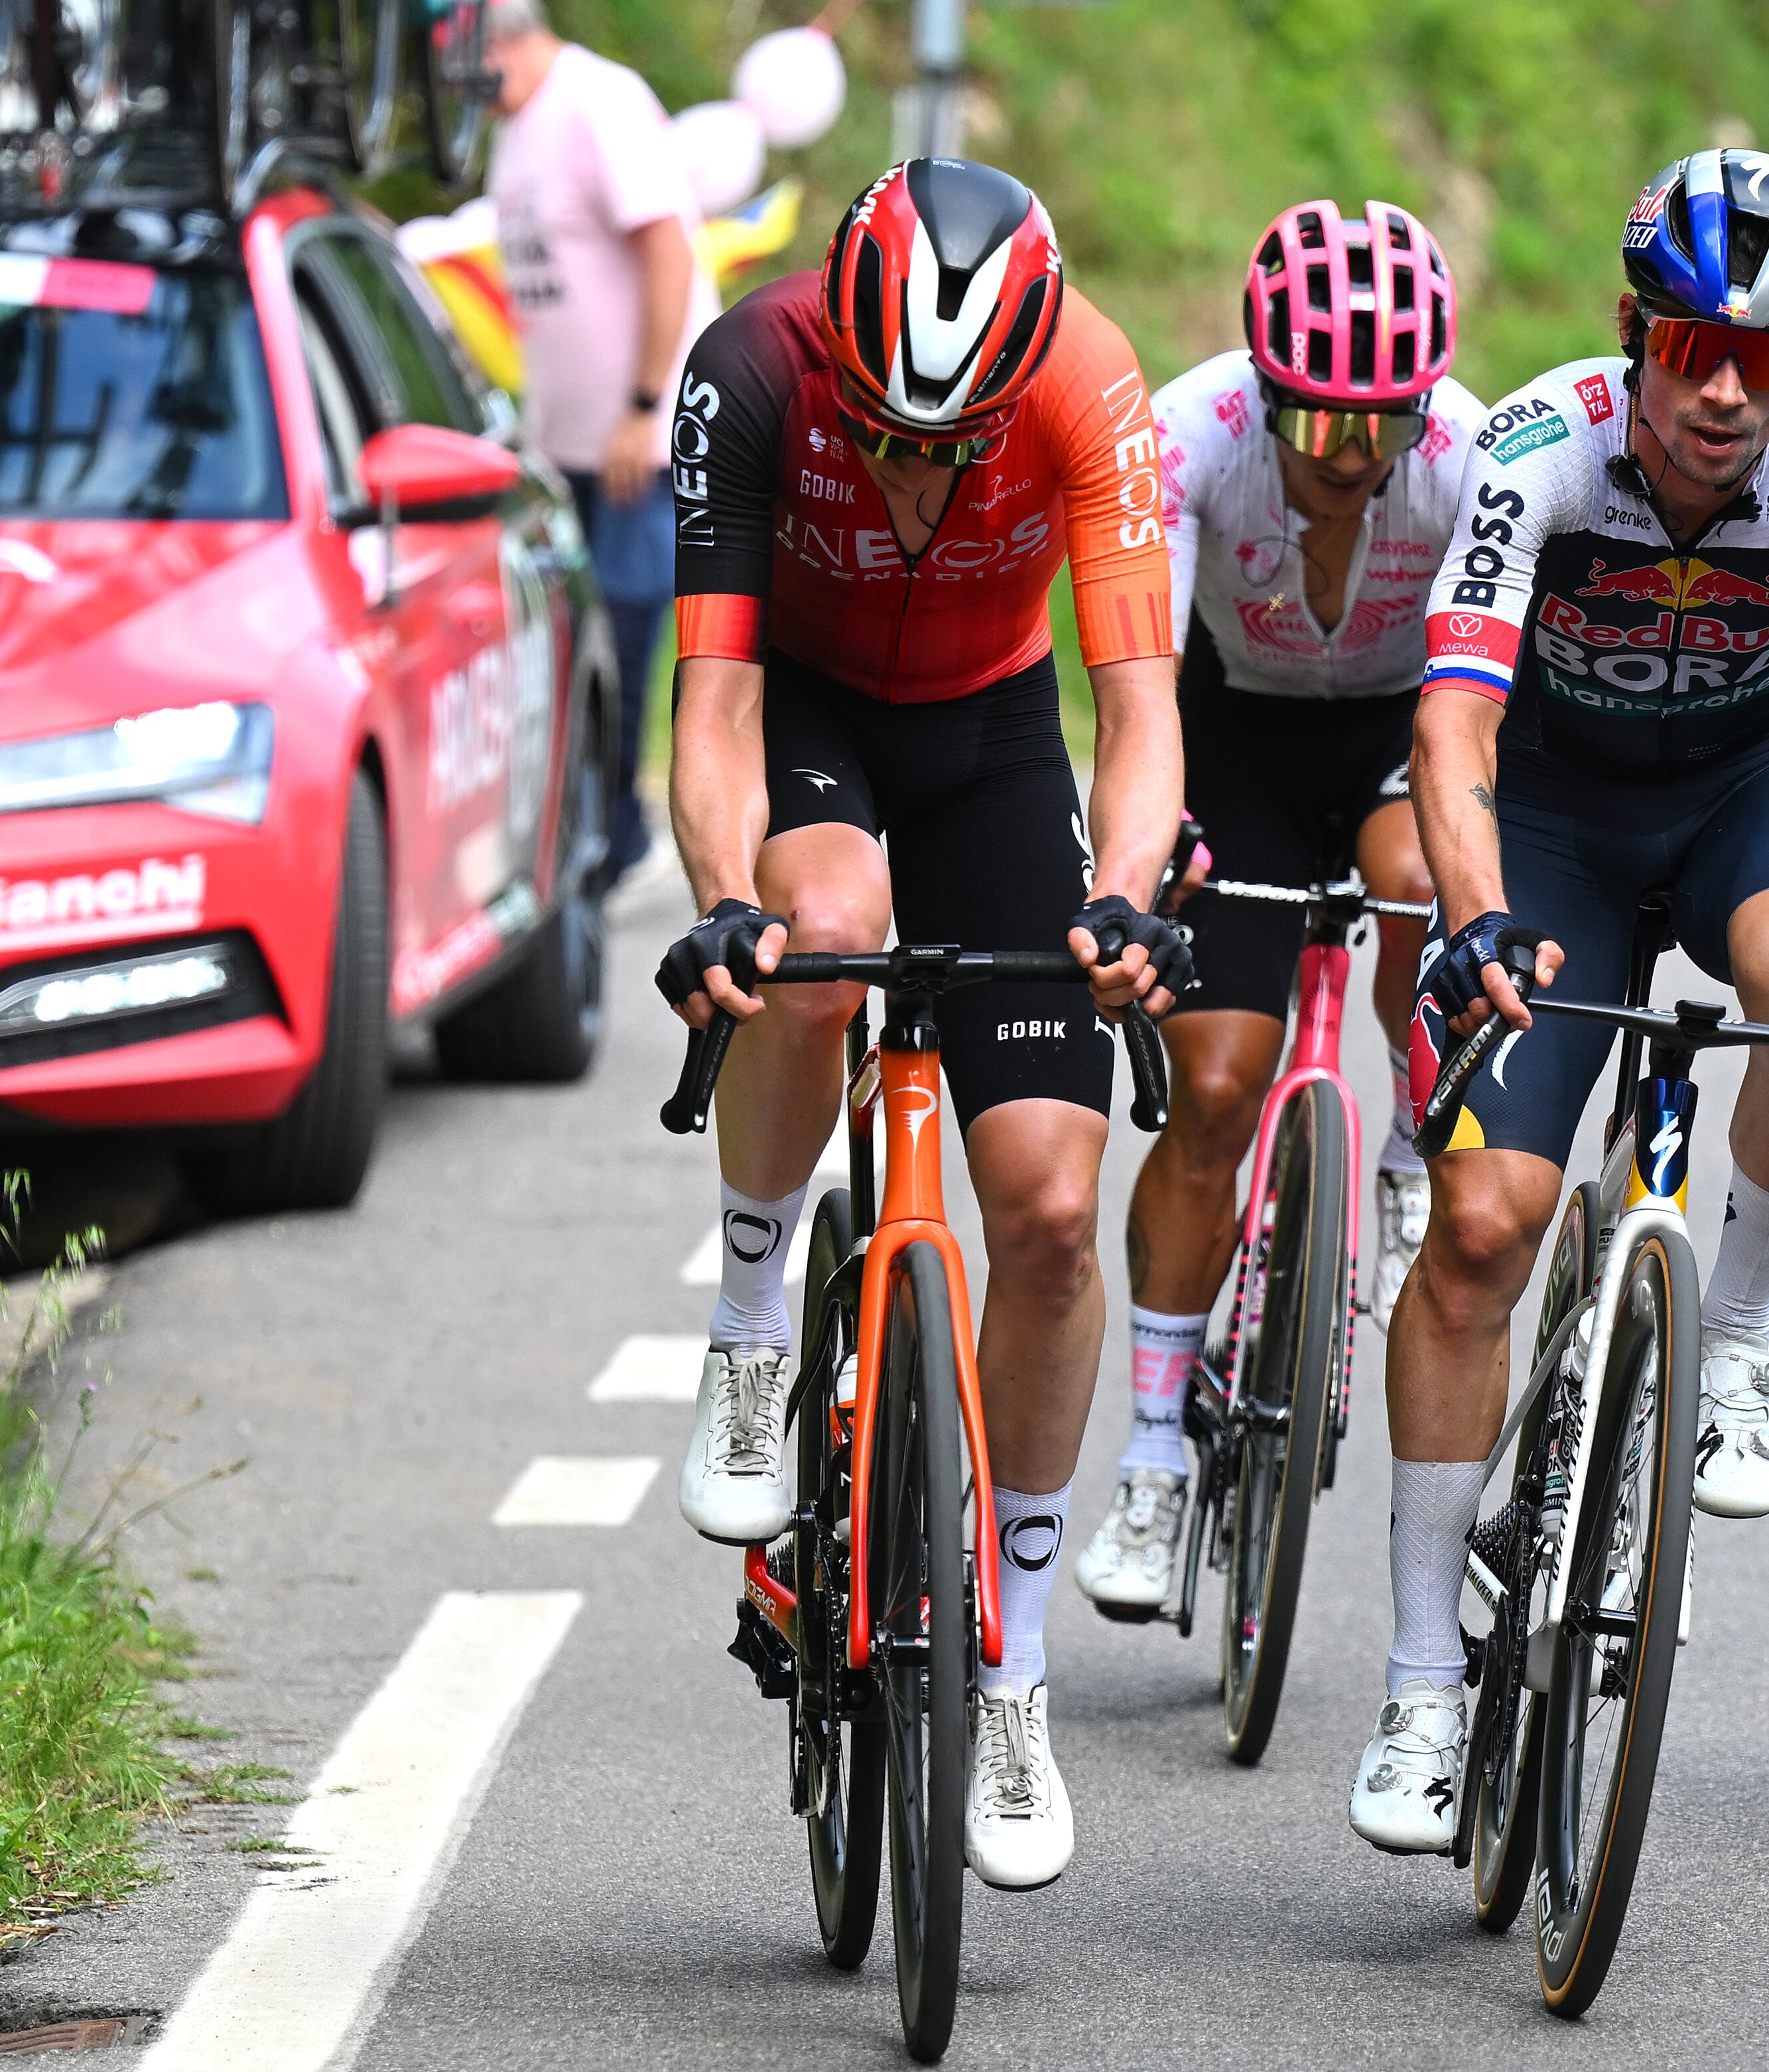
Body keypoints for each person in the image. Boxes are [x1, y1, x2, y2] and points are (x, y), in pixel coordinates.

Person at [1346, 147, 1769, 1853]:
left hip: (1751, 791)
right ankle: (1413, 1675)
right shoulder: (1531, 448)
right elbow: (1451, 728)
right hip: (1544, 811)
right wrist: (1469, 924)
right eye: (1685, 344)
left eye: (1761, 357)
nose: (1715, 389)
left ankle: (1737, 1341)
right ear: (1630, 330)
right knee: (1481, 1223)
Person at [654, 159, 1191, 1896]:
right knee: (827, 933)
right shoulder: (747, 367)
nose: (903, 473)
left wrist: (1129, 891)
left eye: (948, 448)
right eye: (882, 429)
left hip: (988, 737)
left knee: (1044, 1210)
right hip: (807, 717)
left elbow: (1136, 703)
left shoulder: (1092, 384)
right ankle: (752, 1324)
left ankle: (1014, 1657)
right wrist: (722, 889)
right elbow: (716, 693)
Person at [1073, 202, 1482, 1618]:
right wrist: (1152, 840)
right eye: (1320, 425)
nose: (1353, 454)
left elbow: (1485, 715)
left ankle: (1415, 1135)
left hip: (1388, 736)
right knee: (1216, 1083)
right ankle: (1147, 1452)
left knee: (1426, 879)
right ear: (1264, 387)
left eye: (1385, 419)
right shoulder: (1192, 439)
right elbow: (1141, 695)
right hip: (1228, 737)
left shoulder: (1467, 460)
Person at [482, 0, 719, 885]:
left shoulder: (598, 102)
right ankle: (591, 831)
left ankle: (616, 839)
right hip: (567, 449)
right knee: (570, 640)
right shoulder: (518, 125)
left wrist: (643, 404)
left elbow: (669, 249)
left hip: (636, 446)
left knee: (619, 634)